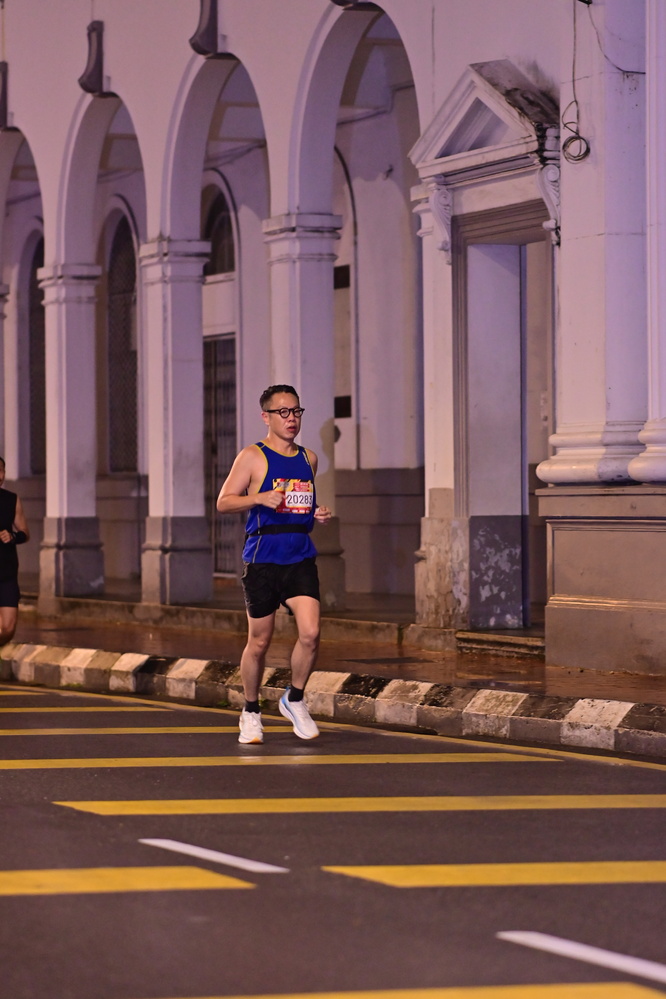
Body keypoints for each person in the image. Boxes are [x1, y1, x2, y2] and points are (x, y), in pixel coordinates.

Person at [217, 385, 332, 744]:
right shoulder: (253, 456)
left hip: (300, 556)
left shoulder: (309, 458)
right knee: (259, 642)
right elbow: (224, 502)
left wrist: (317, 512)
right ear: (265, 417)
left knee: (310, 633)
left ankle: (294, 698)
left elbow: (301, 503)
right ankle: (251, 710)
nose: (291, 418)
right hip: (263, 558)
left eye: (296, 411)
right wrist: (259, 498)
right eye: (283, 412)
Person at [0, 456, 29, 645]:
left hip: (7, 572)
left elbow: (25, 532)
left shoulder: (11, 499)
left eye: (1, 470)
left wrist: (13, 536)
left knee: (8, 629)